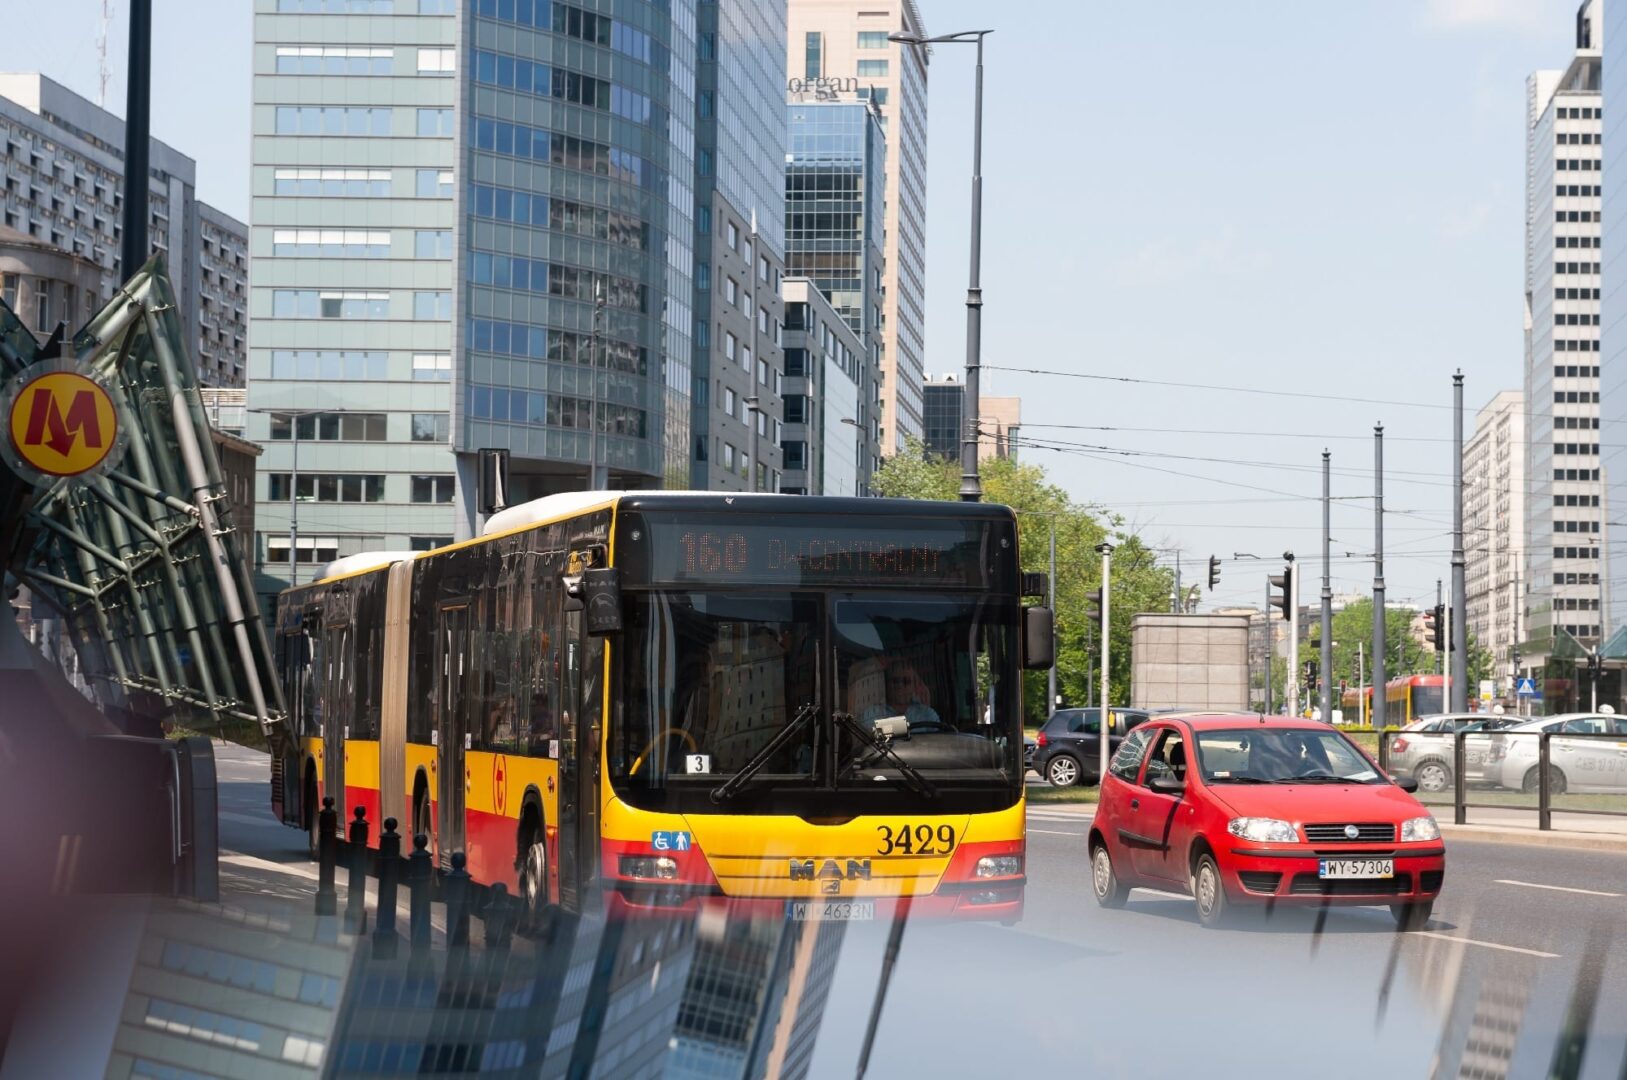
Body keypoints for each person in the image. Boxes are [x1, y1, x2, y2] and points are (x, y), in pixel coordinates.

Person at [860, 659, 942, 732]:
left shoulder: (927, 714)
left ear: (913, 686)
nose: (900, 685)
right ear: (886, 684)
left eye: (906, 681)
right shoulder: (870, 715)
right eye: (895, 681)